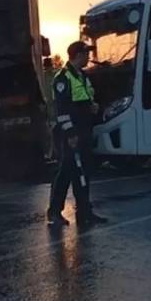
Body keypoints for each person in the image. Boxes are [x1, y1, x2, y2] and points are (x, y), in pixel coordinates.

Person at [47, 41, 108, 226]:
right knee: (66, 171)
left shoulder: (82, 76)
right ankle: (54, 212)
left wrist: (92, 107)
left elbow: (83, 100)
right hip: (69, 133)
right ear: (78, 55)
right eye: (86, 54)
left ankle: (84, 212)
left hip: (84, 130)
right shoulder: (63, 78)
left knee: (83, 171)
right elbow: (62, 109)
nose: (89, 57)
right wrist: (70, 133)